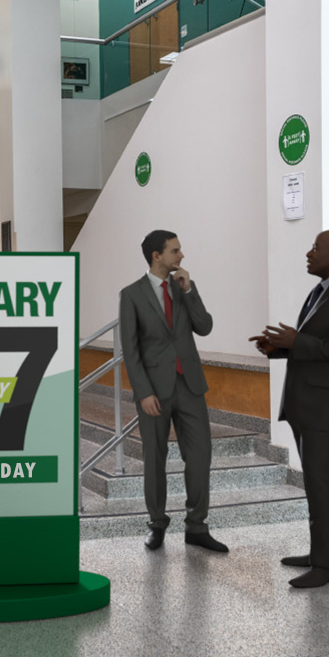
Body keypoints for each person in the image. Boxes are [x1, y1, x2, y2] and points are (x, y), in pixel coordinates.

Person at [250, 229, 329, 588]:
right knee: (317, 482)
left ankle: (325, 566)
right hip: (307, 405)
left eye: (316, 249)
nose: (309, 253)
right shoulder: (322, 293)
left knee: (321, 482)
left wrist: (298, 341)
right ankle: (325, 554)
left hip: (327, 408)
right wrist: (278, 348)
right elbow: (321, 345)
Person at [117, 230, 228, 553]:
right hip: (154, 391)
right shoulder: (132, 295)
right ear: (157, 255)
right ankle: (156, 524)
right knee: (155, 459)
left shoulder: (183, 288)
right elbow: (131, 349)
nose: (181, 256)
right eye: (175, 251)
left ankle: (196, 526)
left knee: (200, 456)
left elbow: (204, 327)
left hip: (190, 385)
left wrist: (190, 291)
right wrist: (142, 392)